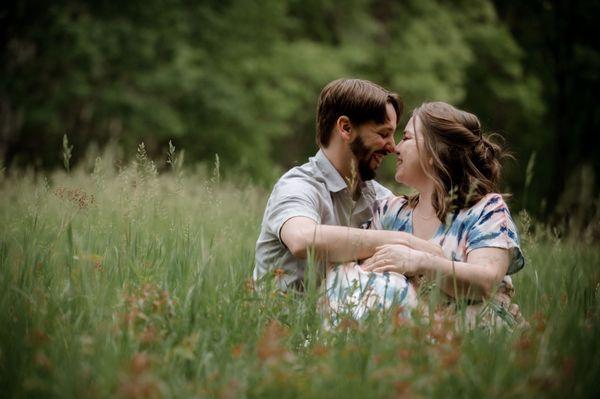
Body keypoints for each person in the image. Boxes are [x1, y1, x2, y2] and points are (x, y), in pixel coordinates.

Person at [326, 102, 525, 326]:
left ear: (434, 149)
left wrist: (417, 261)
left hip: (474, 342)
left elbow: (485, 282)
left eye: (407, 138)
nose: (395, 148)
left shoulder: (486, 210)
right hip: (405, 338)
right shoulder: (390, 212)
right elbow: (362, 276)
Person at [253, 79, 442, 291]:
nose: (392, 147)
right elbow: (302, 239)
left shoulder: (381, 199)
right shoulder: (298, 185)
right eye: (383, 133)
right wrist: (403, 241)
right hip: (284, 322)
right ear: (346, 128)